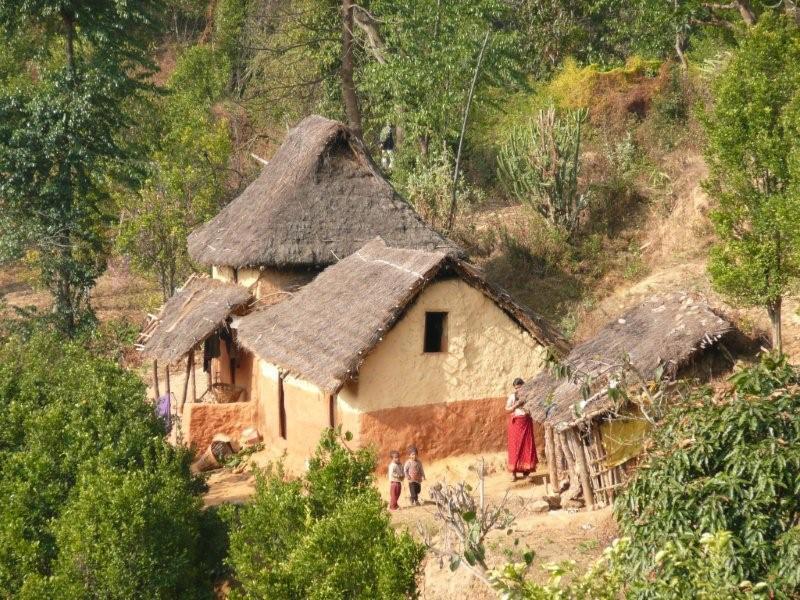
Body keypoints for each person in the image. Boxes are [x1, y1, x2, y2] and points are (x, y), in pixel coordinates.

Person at [506, 377, 537, 481]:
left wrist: (529, 410)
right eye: (516, 388)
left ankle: (526, 473)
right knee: (515, 447)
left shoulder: (529, 396)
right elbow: (507, 409)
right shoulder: (512, 397)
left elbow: (533, 407)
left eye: (520, 387)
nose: (518, 390)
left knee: (527, 447)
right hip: (515, 424)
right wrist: (515, 406)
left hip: (526, 423)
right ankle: (513, 473)